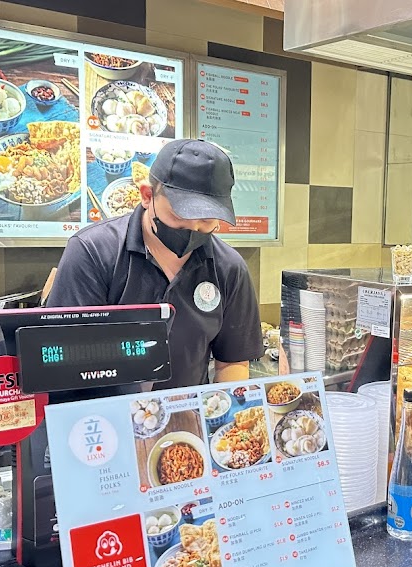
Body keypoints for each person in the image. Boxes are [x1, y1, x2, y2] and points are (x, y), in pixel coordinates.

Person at [47, 139, 263, 388]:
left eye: (206, 219)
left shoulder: (229, 268)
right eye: (180, 215)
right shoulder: (92, 251)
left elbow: (232, 361)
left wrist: (221, 414)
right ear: (147, 195)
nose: (193, 228)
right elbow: (64, 359)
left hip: (186, 419)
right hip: (106, 419)